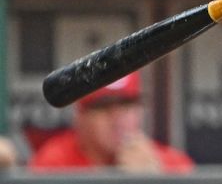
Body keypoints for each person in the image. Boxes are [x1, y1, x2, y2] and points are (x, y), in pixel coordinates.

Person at [29, 73, 194, 173]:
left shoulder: (171, 165)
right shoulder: (54, 163)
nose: (117, 117)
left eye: (126, 105)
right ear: (80, 116)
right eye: (102, 106)